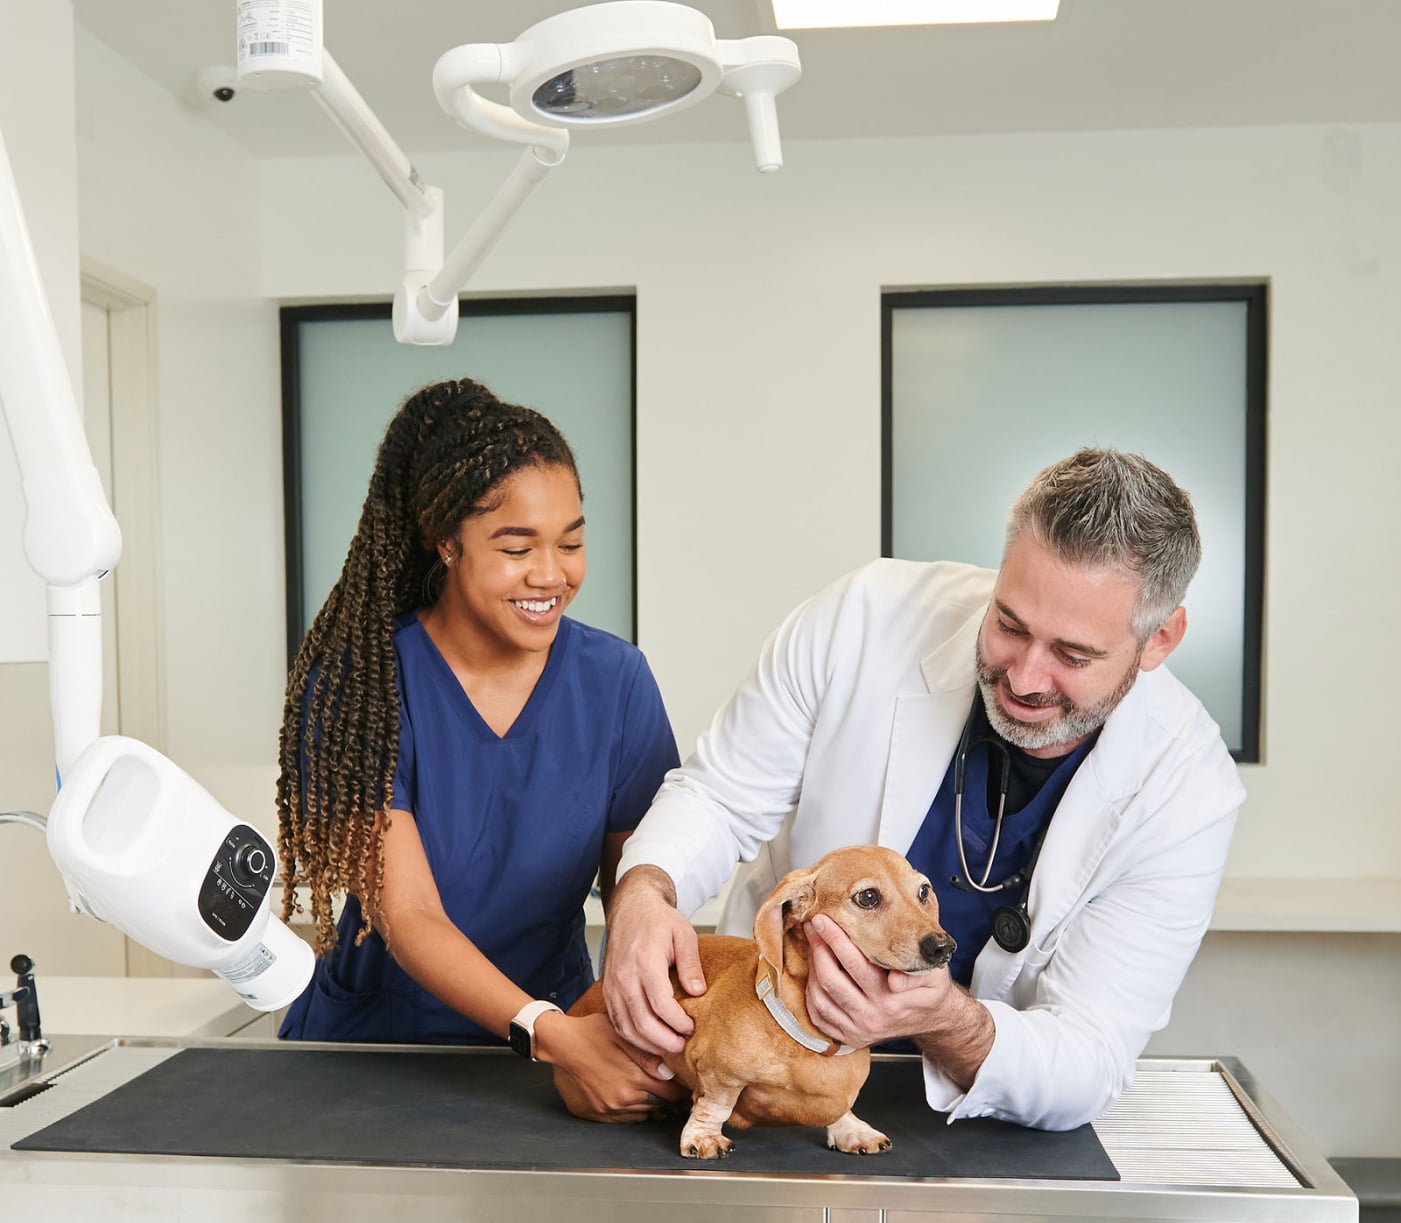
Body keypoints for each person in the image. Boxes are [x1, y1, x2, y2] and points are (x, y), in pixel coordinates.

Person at [603, 448, 1244, 1131]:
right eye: (1008, 624)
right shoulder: (865, 618)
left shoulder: (1186, 791)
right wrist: (644, 889)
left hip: (978, 1119)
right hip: (761, 1066)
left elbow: (1088, 1054)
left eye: (1072, 655)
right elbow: (719, 796)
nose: (1024, 678)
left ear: (1158, 639)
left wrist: (944, 1020)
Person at [276, 377, 684, 1121]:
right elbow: (411, 917)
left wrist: (635, 1019)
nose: (551, 575)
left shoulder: (615, 681)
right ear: (446, 541)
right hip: (384, 1056)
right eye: (515, 545)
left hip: (566, 1065)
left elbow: (640, 883)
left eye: (571, 541)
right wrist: (549, 1031)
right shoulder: (360, 685)